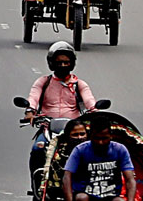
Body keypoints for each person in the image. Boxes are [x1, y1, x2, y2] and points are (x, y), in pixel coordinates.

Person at [26, 42, 98, 176]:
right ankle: (36, 186)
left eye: (66, 62)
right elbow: (33, 97)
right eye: (59, 62)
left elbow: (89, 101)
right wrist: (30, 112)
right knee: (38, 149)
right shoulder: (43, 82)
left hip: (74, 129)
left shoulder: (79, 84)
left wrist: (95, 111)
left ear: (72, 63)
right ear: (52, 63)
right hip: (49, 129)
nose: (63, 66)